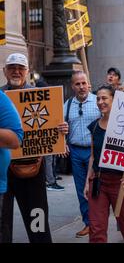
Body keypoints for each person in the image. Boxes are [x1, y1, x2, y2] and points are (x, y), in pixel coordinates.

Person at [0, 53, 68, 243]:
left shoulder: (44, 97)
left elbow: (53, 125)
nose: (16, 71)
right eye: (12, 67)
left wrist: (61, 129)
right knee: (2, 221)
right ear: (4, 71)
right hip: (3, 168)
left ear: (27, 71)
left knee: (36, 218)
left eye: (20, 68)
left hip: (33, 167)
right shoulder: (0, 95)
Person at [84, 85, 124, 243]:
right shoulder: (94, 126)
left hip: (121, 182)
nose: (100, 102)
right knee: (96, 228)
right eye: (98, 98)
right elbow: (92, 156)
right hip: (98, 182)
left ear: (114, 100)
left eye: (104, 98)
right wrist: (87, 183)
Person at [64, 71, 101, 237]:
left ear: (89, 84)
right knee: (81, 190)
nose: (81, 87)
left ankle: (98, 222)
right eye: (77, 84)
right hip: (75, 152)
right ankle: (88, 223)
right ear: (73, 86)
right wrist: (62, 141)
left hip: (94, 152)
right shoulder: (68, 104)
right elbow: (61, 125)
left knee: (96, 188)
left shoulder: (98, 102)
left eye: (83, 83)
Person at [0, 91, 24, 241]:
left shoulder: (1, 98)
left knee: (37, 220)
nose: (16, 71)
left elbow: (15, 139)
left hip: (31, 171)